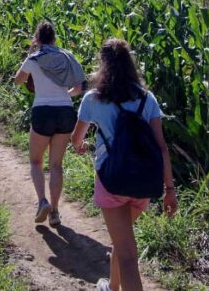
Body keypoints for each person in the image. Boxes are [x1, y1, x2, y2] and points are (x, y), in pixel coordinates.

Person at [70, 39, 178, 291]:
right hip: (143, 182)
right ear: (130, 64)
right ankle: (111, 286)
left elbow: (76, 138)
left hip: (112, 181)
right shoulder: (146, 99)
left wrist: (80, 146)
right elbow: (161, 147)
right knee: (123, 242)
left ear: (103, 65)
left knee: (128, 254)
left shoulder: (93, 99)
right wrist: (170, 189)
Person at [15, 22, 86, 227]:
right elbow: (80, 86)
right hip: (65, 111)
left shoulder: (33, 59)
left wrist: (29, 53)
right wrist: (66, 94)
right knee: (56, 165)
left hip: (42, 111)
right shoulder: (67, 56)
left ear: (37, 39)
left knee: (36, 161)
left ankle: (42, 202)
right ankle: (55, 212)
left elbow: (18, 81)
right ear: (54, 39)